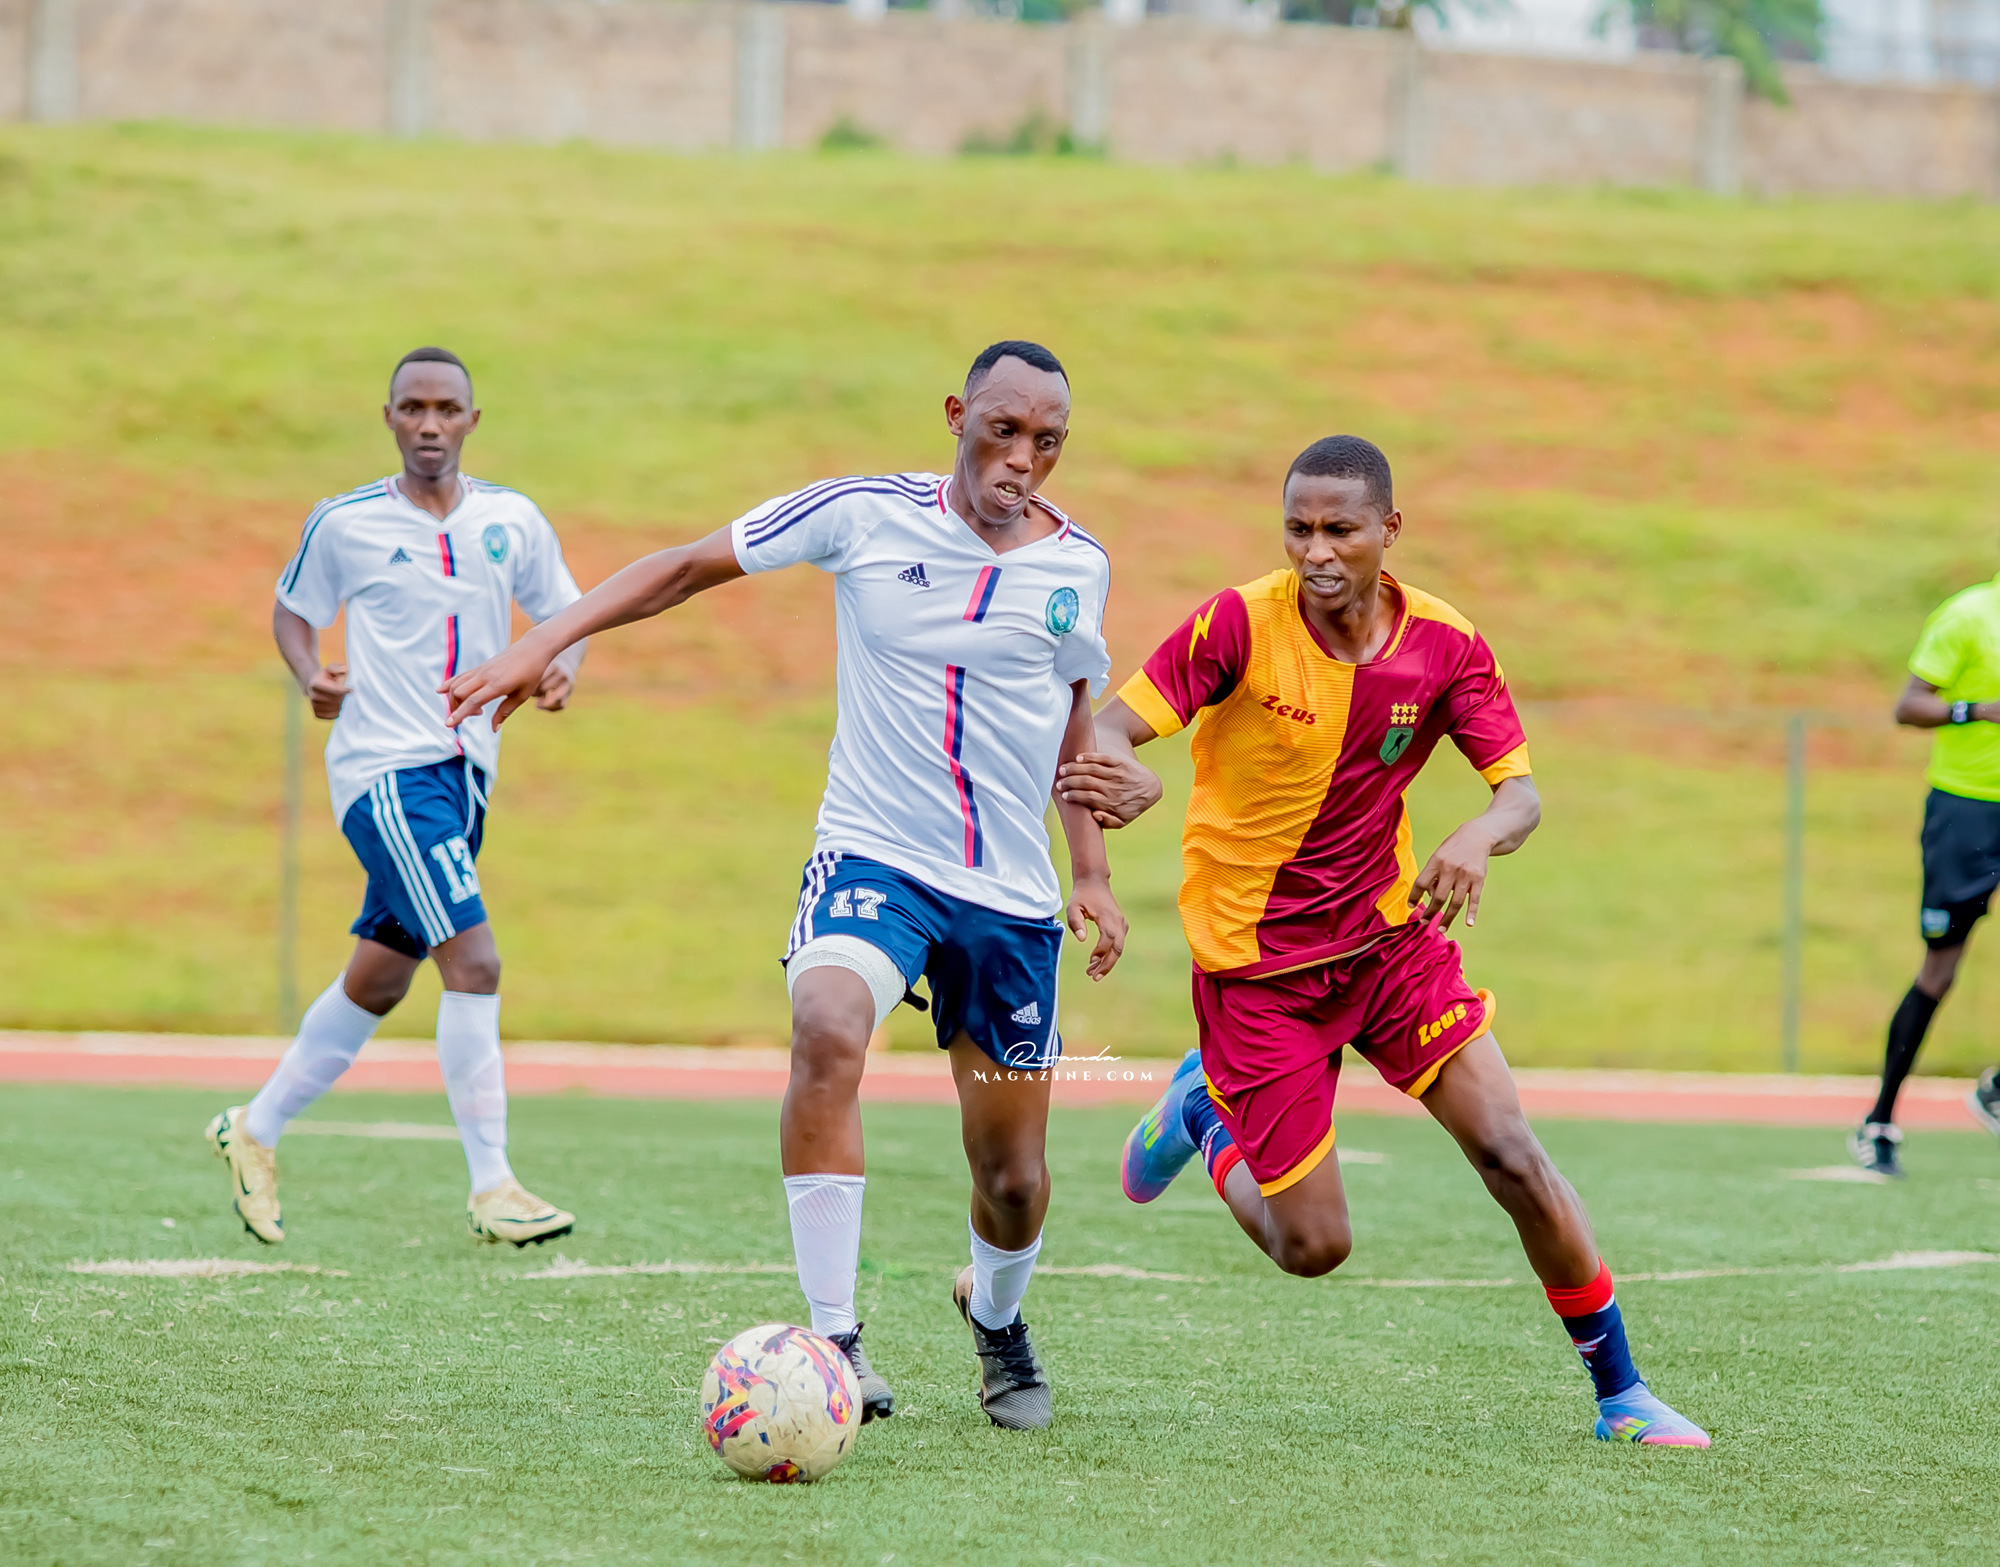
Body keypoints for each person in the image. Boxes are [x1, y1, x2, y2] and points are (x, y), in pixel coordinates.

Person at [440, 341, 1125, 1431]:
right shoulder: (862, 513)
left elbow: (1072, 719)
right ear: (957, 414)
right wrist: (545, 640)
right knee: (827, 1027)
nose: (1021, 459)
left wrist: (1088, 870)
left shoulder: (1077, 565)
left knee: (1012, 1177)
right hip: (873, 855)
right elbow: (682, 567)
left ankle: (996, 1318)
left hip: (1007, 895)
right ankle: (833, 1341)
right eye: (1002, 430)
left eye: (1047, 442)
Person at [1058, 435, 1710, 1447]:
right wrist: (1126, 773)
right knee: (1312, 1246)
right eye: (1297, 529)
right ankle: (1204, 1113)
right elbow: (1106, 728)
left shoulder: (1444, 644)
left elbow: (1521, 794)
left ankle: (1621, 1394)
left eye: (1339, 530)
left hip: (1386, 945)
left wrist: (1479, 833)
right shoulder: (1239, 623)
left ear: (1388, 531)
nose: (1315, 551)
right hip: (1258, 972)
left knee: (1511, 1152)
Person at [206, 347, 587, 1249]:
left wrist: (562, 663)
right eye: (412, 407)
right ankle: (493, 1186)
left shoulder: (512, 520)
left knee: (379, 978)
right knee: (475, 962)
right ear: (388, 417)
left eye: (446, 409)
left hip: (465, 776)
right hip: (385, 773)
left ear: (471, 421)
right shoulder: (344, 522)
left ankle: (254, 1127)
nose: (429, 424)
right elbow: (293, 608)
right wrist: (311, 672)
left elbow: (566, 612)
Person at [1851, 572, 2000, 1177]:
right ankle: (1879, 1120)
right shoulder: (1970, 616)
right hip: (1966, 811)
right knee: (1940, 968)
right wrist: (1976, 710)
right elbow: (1908, 706)